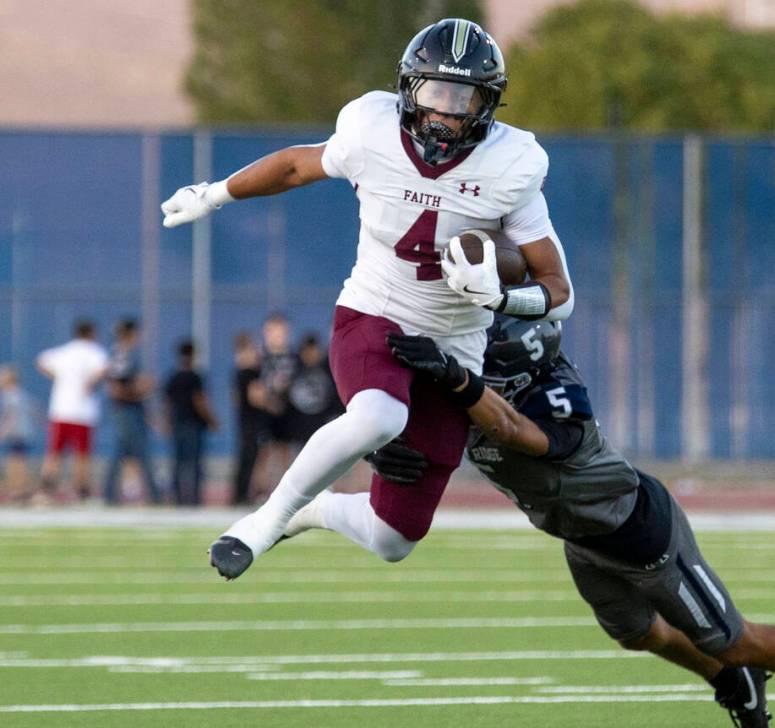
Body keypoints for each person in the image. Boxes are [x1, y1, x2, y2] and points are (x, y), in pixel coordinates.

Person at [284, 317, 775, 728]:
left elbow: (518, 433)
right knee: (638, 635)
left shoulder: (554, 398)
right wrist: (387, 447)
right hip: (581, 537)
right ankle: (726, 680)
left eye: (484, 353)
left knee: (733, 638)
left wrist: (458, 382)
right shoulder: (471, 385)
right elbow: (401, 408)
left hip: (640, 534)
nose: (472, 358)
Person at [161, 18, 574, 579]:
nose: (447, 112)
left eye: (464, 97)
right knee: (378, 415)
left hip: (455, 344)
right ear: (408, 90)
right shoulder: (369, 129)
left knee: (393, 538)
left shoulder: (513, 164)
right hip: (376, 309)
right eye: (435, 93)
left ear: (488, 103)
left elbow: (559, 294)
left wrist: (502, 297)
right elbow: (293, 166)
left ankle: (314, 511)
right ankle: (264, 520)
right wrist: (211, 195)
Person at [35, 319, 109, 501]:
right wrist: (90, 383)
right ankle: (82, 491)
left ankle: (46, 490)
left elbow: (41, 361)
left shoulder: (64, 352)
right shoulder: (95, 352)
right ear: (92, 333)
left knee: (54, 453)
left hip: (61, 410)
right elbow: (104, 369)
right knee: (82, 454)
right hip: (83, 412)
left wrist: (57, 377)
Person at [103, 318, 161, 505]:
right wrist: (140, 390)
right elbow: (115, 388)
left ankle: (110, 495)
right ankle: (155, 495)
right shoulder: (121, 354)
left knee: (122, 452)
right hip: (126, 411)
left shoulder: (124, 354)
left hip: (130, 409)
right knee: (142, 452)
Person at [164, 340, 219, 505]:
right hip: (193, 424)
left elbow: (167, 403)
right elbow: (199, 400)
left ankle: (177, 498)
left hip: (178, 423)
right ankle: (194, 499)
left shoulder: (173, 377)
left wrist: (166, 423)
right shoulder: (195, 377)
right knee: (194, 463)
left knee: (178, 463)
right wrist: (211, 420)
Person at [257, 313, 300, 486]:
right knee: (263, 452)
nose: (277, 336)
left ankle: (284, 491)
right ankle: (260, 491)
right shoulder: (259, 357)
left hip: (288, 412)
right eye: (273, 331)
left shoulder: (294, 358)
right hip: (265, 412)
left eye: (281, 331)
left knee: (285, 451)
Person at [288, 333, 345, 446]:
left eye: (313, 350)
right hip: (300, 431)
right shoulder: (294, 371)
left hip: (325, 429)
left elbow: (338, 399)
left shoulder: (331, 370)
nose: (310, 355)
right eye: (307, 351)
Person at [231, 331, 267, 505]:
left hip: (244, 419)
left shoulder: (238, 372)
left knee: (245, 457)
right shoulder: (250, 373)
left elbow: (235, 399)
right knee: (249, 457)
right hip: (252, 421)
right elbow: (256, 398)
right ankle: (242, 494)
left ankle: (240, 493)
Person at [0, 365, 40, 502]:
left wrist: (3, 431)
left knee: (15, 462)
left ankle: (17, 489)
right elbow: (35, 410)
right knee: (20, 460)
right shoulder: (21, 393)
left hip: (16, 433)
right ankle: (21, 489)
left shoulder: (11, 395)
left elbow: (12, 415)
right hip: (25, 432)